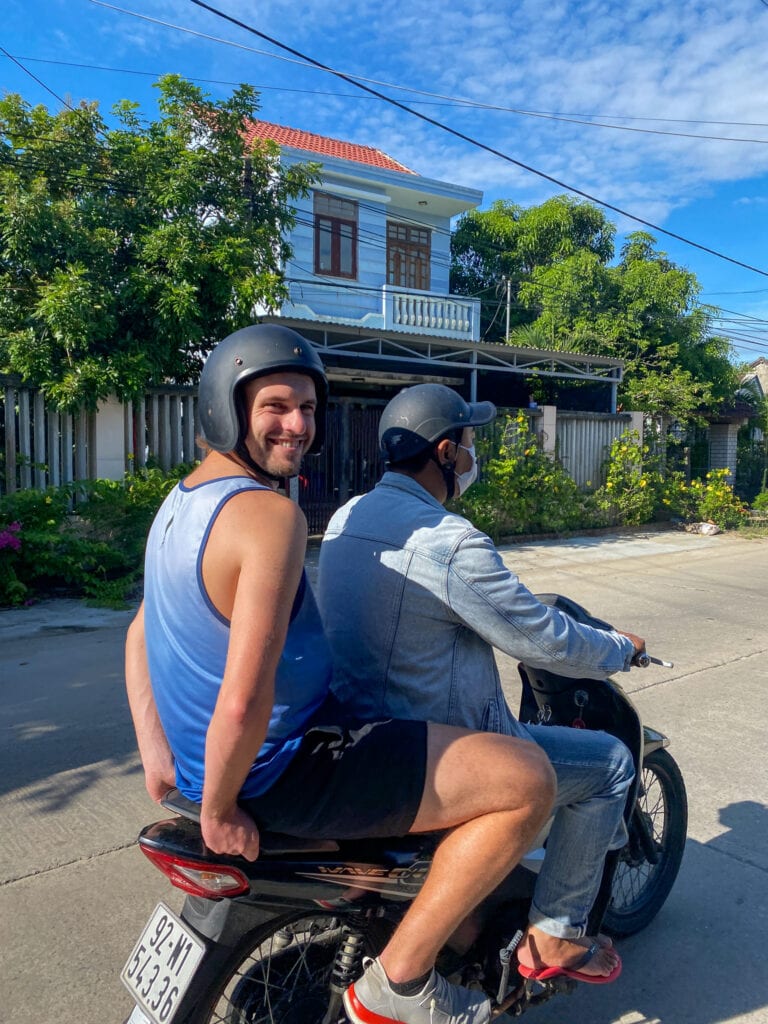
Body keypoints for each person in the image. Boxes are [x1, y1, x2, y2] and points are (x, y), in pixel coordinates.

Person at [125, 325, 562, 1024]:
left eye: (307, 406)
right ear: (225, 409)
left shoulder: (178, 504)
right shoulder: (269, 515)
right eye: (274, 406)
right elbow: (246, 694)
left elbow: (138, 631)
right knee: (526, 779)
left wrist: (159, 761)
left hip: (219, 764)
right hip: (283, 769)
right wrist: (217, 809)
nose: (297, 425)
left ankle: (442, 927)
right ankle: (399, 987)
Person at [317, 382, 646, 986]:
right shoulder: (449, 543)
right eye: (469, 444)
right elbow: (544, 638)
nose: (473, 457)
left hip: (359, 731)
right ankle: (556, 935)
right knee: (611, 764)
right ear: (446, 453)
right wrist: (619, 648)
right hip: (450, 746)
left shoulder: (346, 519)